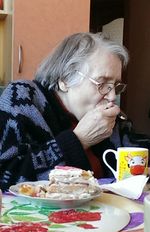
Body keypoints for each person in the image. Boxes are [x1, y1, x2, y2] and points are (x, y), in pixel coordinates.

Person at [0, 32, 149, 191]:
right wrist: (78, 140)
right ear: (64, 79)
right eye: (102, 83)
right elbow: (6, 176)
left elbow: (138, 152)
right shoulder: (24, 98)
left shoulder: (109, 116)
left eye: (115, 86)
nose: (112, 96)